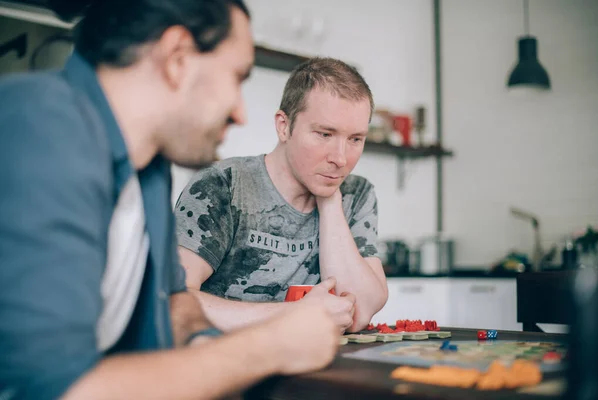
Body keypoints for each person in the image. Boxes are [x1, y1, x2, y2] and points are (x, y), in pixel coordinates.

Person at [0, 1, 340, 399]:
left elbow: (175, 306)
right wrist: (270, 345)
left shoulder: (148, 168)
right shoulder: (41, 125)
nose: (241, 113)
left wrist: (212, 342)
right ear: (177, 58)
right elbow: (61, 390)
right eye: (236, 78)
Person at [175, 57, 389, 334]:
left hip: (316, 369)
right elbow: (173, 300)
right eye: (325, 134)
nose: (340, 158)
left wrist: (330, 202)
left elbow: (360, 312)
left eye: (355, 139)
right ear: (283, 126)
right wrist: (292, 316)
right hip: (226, 366)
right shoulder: (222, 185)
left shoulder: (356, 193)